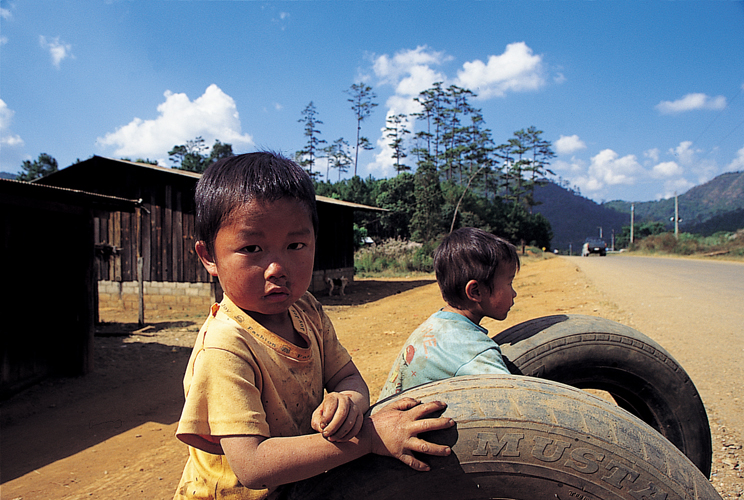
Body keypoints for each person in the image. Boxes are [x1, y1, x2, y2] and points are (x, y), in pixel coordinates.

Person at [174, 151, 454, 500]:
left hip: (300, 483)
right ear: (209, 257)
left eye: (295, 245)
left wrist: (347, 401)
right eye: (252, 248)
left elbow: (347, 377)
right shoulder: (225, 346)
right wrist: (367, 437)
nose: (277, 266)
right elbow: (253, 466)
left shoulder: (305, 308)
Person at [378, 227, 519, 401]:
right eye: (510, 283)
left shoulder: (435, 324)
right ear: (475, 291)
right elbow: (514, 402)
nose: (514, 293)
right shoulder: (474, 354)